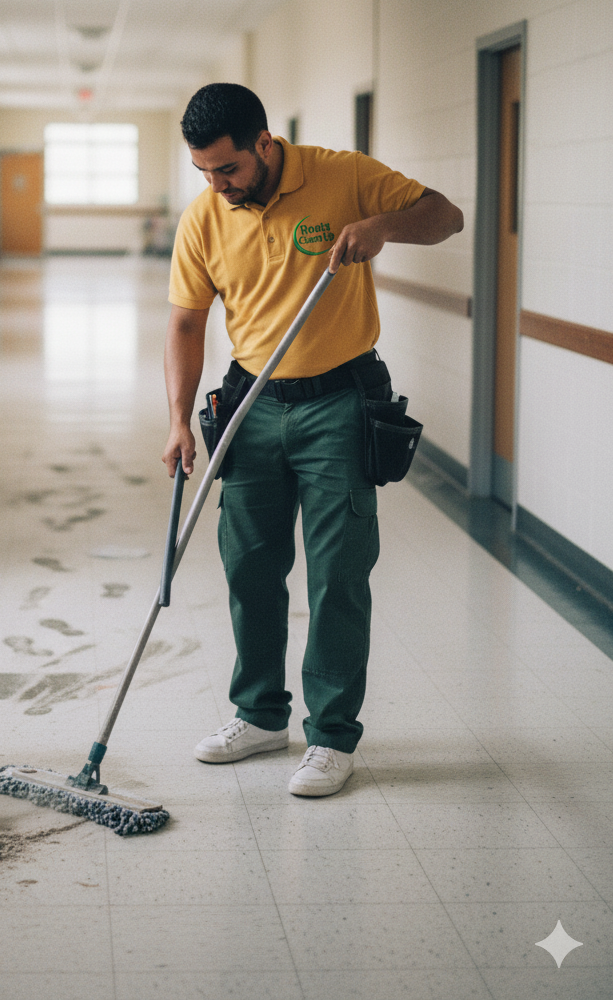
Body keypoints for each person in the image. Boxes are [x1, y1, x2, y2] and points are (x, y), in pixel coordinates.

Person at [163, 83, 463, 796]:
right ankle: (260, 715)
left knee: (336, 575)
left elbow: (445, 217)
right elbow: (185, 323)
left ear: (264, 144)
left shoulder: (346, 175)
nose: (217, 186)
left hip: (338, 402)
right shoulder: (205, 217)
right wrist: (178, 419)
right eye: (203, 173)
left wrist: (384, 227)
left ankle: (331, 737)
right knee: (251, 567)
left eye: (227, 170)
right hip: (251, 404)